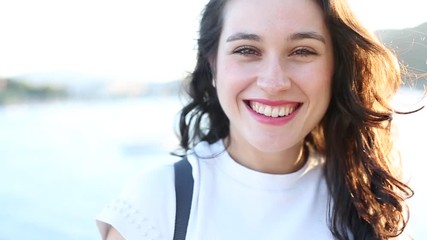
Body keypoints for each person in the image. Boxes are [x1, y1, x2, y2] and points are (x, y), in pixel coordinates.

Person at [96, 0, 418, 239]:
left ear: (336, 68)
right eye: (247, 50)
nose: (274, 81)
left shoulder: (366, 205)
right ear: (213, 66)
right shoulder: (156, 204)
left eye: (302, 51)